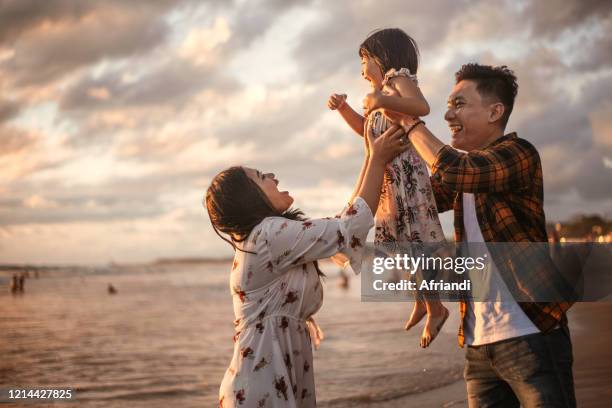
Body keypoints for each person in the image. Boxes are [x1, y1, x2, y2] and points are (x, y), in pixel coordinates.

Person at [397, 63, 576, 407]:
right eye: (448, 105)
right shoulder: (464, 174)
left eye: (459, 104)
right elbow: (415, 203)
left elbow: (456, 168)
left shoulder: (519, 154)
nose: (448, 115)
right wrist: (384, 146)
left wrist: (410, 121)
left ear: (496, 111)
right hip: (478, 346)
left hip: (532, 335)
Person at [206, 125, 408, 407]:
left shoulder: (267, 237)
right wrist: (376, 159)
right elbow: (349, 227)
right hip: (261, 384)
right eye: (263, 177)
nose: (273, 176)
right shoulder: (269, 235)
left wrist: (370, 157)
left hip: (266, 375)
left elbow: (343, 222)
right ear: (250, 198)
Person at [328, 28, 448, 347]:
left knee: (414, 242)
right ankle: (423, 300)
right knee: (397, 247)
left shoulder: (398, 80)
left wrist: (382, 97)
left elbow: (421, 107)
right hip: (387, 185)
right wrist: (344, 109)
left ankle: (436, 308)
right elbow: (366, 131)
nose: (362, 70)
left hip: (406, 180)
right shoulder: (380, 95)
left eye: (365, 60)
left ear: (384, 57)